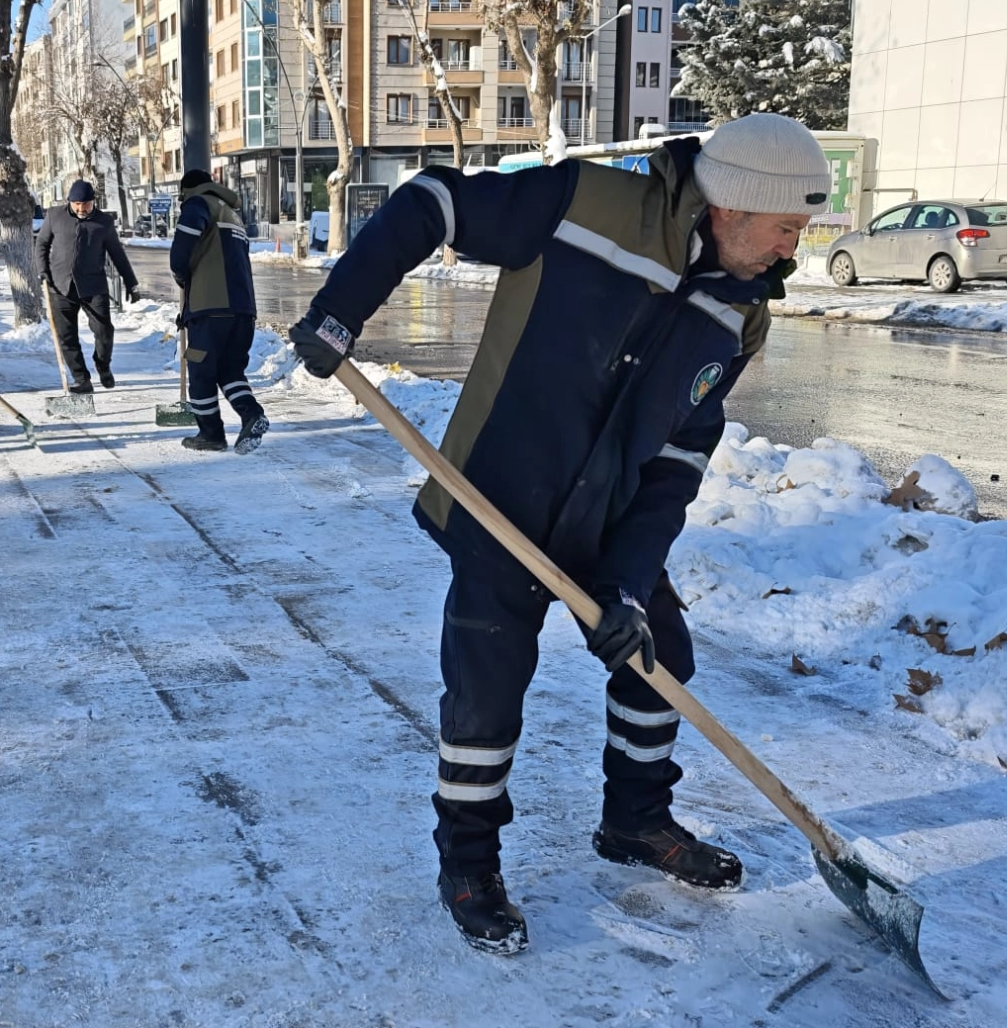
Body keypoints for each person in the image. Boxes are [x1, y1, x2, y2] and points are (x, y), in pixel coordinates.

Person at [288, 113, 830, 955]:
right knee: (486, 689)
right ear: (734, 206)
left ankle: (635, 822)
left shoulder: (739, 316)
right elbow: (431, 200)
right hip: (498, 499)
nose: (791, 251)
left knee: (660, 663)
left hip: (605, 524)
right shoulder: (584, 203)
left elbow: (677, 464)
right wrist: (339, 311)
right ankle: (468, 865)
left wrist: (625, 585)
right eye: (786, 227)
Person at [169, 169, 268, 454]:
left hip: (211, 307)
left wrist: (181, 275)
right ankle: (252, 415)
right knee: (229, 370)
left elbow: (180, 254)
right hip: (243, 309)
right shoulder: (232, 214)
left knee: (200, 371)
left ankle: (210, 434)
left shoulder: (198, 204)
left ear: (187, 190)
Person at [34, 180, 139, 393]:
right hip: (60, 285)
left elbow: (117, 254)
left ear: (94, 202)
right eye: (78, 204)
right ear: (70, 202)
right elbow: (42, 244)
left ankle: (103, 365)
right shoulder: (55, 216)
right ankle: (82, 379)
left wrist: (131, 283)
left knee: (104, 331)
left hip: (93, 286)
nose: (82, 209)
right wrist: (43, 270)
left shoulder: (104, 222)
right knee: (66, 336)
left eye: (87, 204)